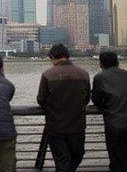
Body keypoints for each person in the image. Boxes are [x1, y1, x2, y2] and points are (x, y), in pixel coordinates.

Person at [37, 44, 90, 172]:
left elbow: (41, 100)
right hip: (77, 125)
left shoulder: (48, 74)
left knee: (61, 160)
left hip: (55, 126)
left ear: (53, 57)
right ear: (67, 56)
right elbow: (87, 98)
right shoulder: (83, 73)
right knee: (78, 155)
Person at [91, 51, 127, 172]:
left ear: (101, 64)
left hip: (115, 125)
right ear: (118, 62)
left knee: (117, 161)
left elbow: (96, 99)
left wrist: (104, 105)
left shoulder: (100, 77)